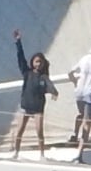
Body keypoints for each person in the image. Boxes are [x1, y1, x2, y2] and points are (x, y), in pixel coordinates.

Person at [10, 29, 58, 158]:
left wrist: (54, 93)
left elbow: (50, 86)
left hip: (37, 108)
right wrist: (18, 42)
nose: (38, 64)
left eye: (40, 62)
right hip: (25, 106)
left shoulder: (44, 77)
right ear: (32, 62)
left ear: (43, 64)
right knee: (20, 131)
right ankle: (16, 153)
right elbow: (21, 58)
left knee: (39, 132)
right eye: (36, 61)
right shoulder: (27, 73)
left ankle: (42, 155)